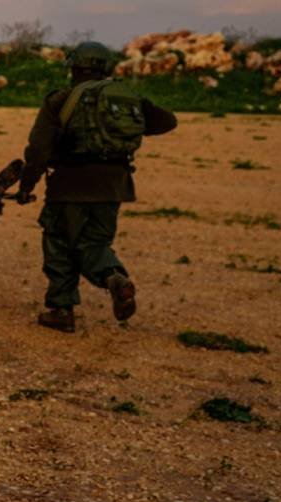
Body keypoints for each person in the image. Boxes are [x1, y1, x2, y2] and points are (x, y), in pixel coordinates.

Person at [14, 41, 177, 333]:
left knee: (60, 243)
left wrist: (27, 186)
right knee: (94, 244)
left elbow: (37, 151)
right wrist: (129, 116)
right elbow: (167, 121)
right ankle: (115, 278)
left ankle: (61, 310)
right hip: (114, 186)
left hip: (70, 184)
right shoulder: (125, 97)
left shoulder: (60, 100)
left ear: (75, 68)